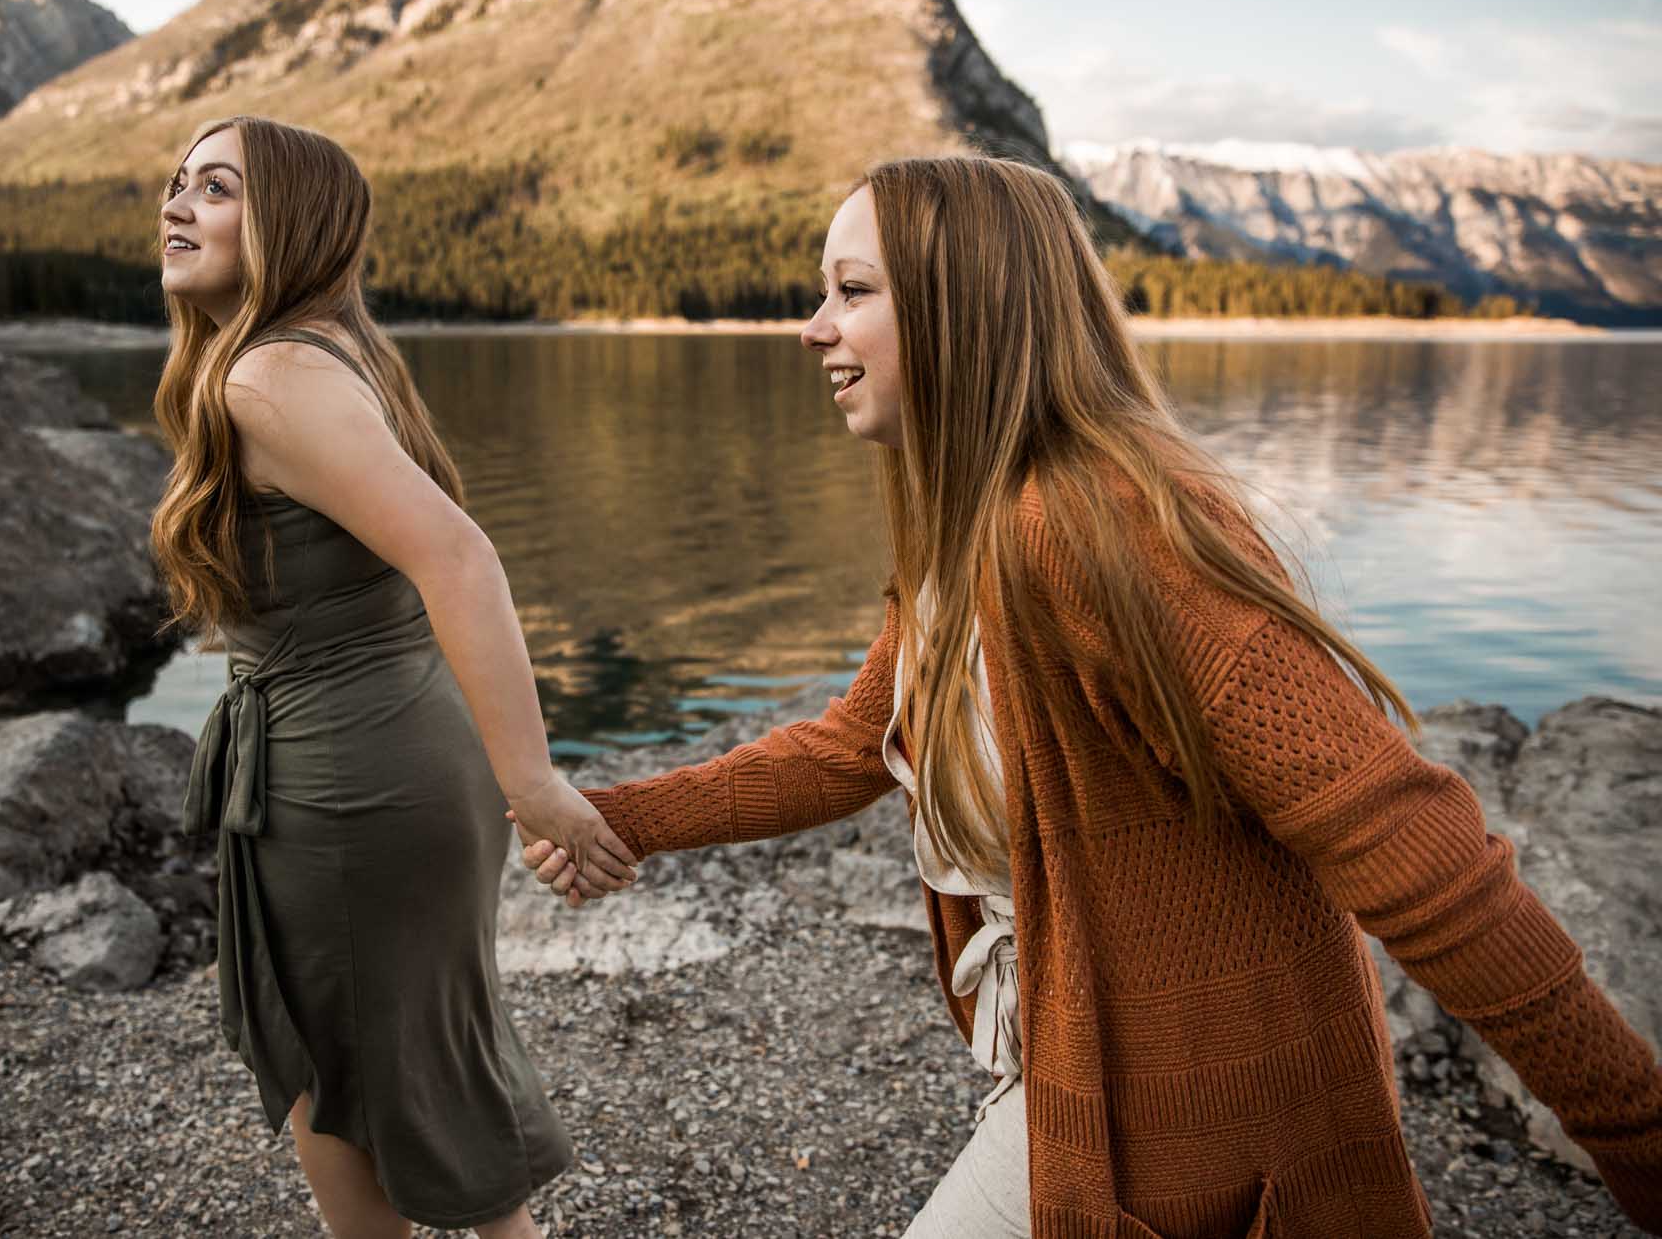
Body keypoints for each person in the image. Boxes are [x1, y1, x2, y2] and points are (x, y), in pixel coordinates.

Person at [520, 156, 1662, 1236]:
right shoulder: (963, 533)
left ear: (962, 307)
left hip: (1187, 1113)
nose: (812, 326)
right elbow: (847, 747)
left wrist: (1630, 1127)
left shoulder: (1093, 528)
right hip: (1075, 1068)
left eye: (851, 290)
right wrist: (618, 815)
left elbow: (1406, 842)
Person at [148, 115, 635, 1239]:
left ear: (289, 226)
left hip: (347, 779)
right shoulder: (320, 353)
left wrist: (536, 784)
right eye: (175, 184)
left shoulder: (267, 377)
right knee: (408, 1063)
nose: (176, 206)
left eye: (214, 189)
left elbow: (457, 556)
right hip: (384, 753)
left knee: (362, 1073)